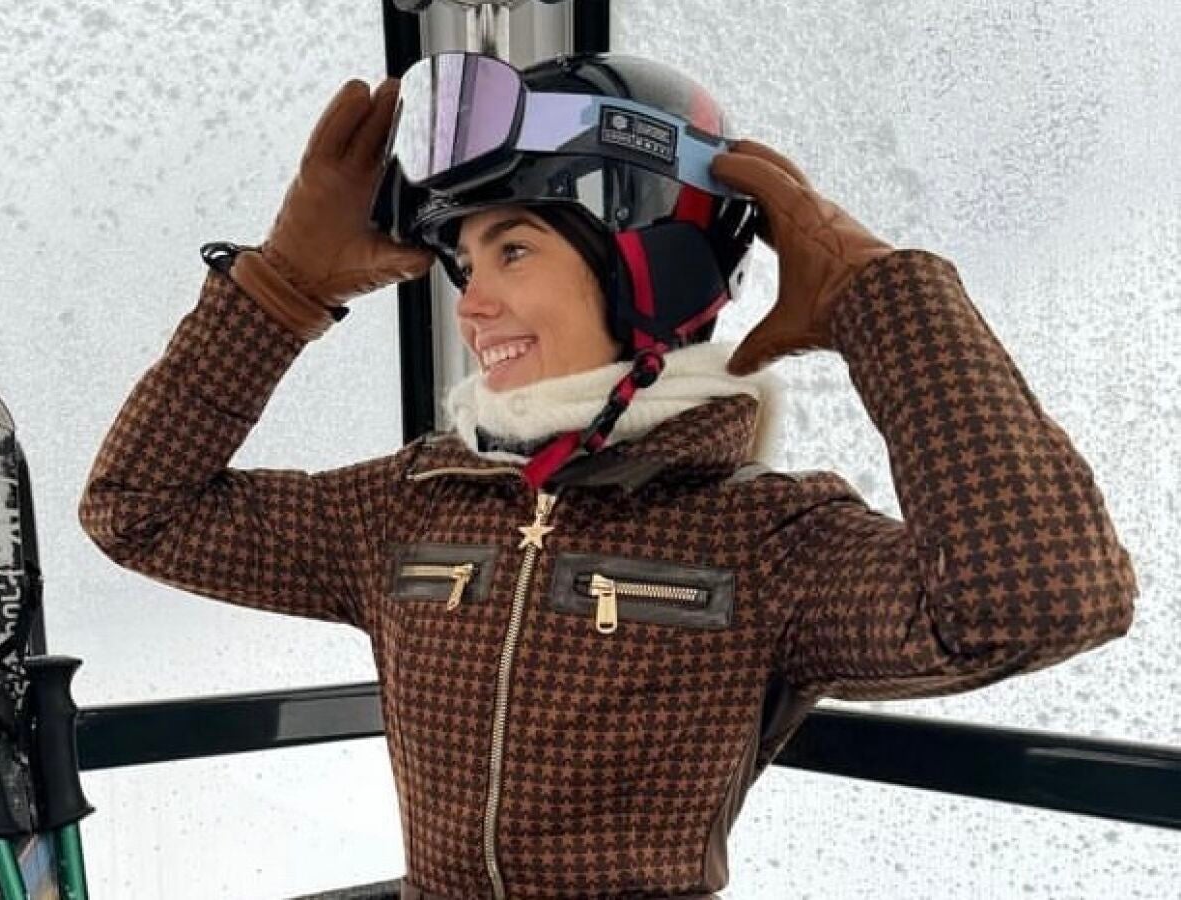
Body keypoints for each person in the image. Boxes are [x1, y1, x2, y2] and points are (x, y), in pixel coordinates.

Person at [81, 53, 1137, 900]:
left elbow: (1036, 602)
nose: (470, 304)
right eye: (465, 263)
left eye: (515, 251)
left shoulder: (765, 541)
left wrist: (885, 302)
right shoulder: (408, 504)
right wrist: (275, 292)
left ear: (652, 267)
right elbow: (139, 509)